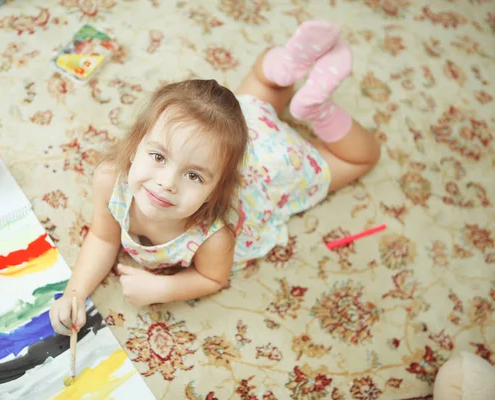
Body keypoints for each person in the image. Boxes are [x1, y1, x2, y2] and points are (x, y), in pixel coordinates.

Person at [50, 20, 381, 335]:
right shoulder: (110, 179)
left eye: (193, 176)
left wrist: (164, 287)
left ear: (215, 190)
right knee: (260, 91)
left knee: (361, 157)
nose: (167, 182)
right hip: (223, 136)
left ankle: (317, 110)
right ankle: (287, 65)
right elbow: (104, 237)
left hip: (276, 166)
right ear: (135, 146)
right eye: (158, 157)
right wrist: (74, 294)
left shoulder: (213, 237)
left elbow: (212, 278)